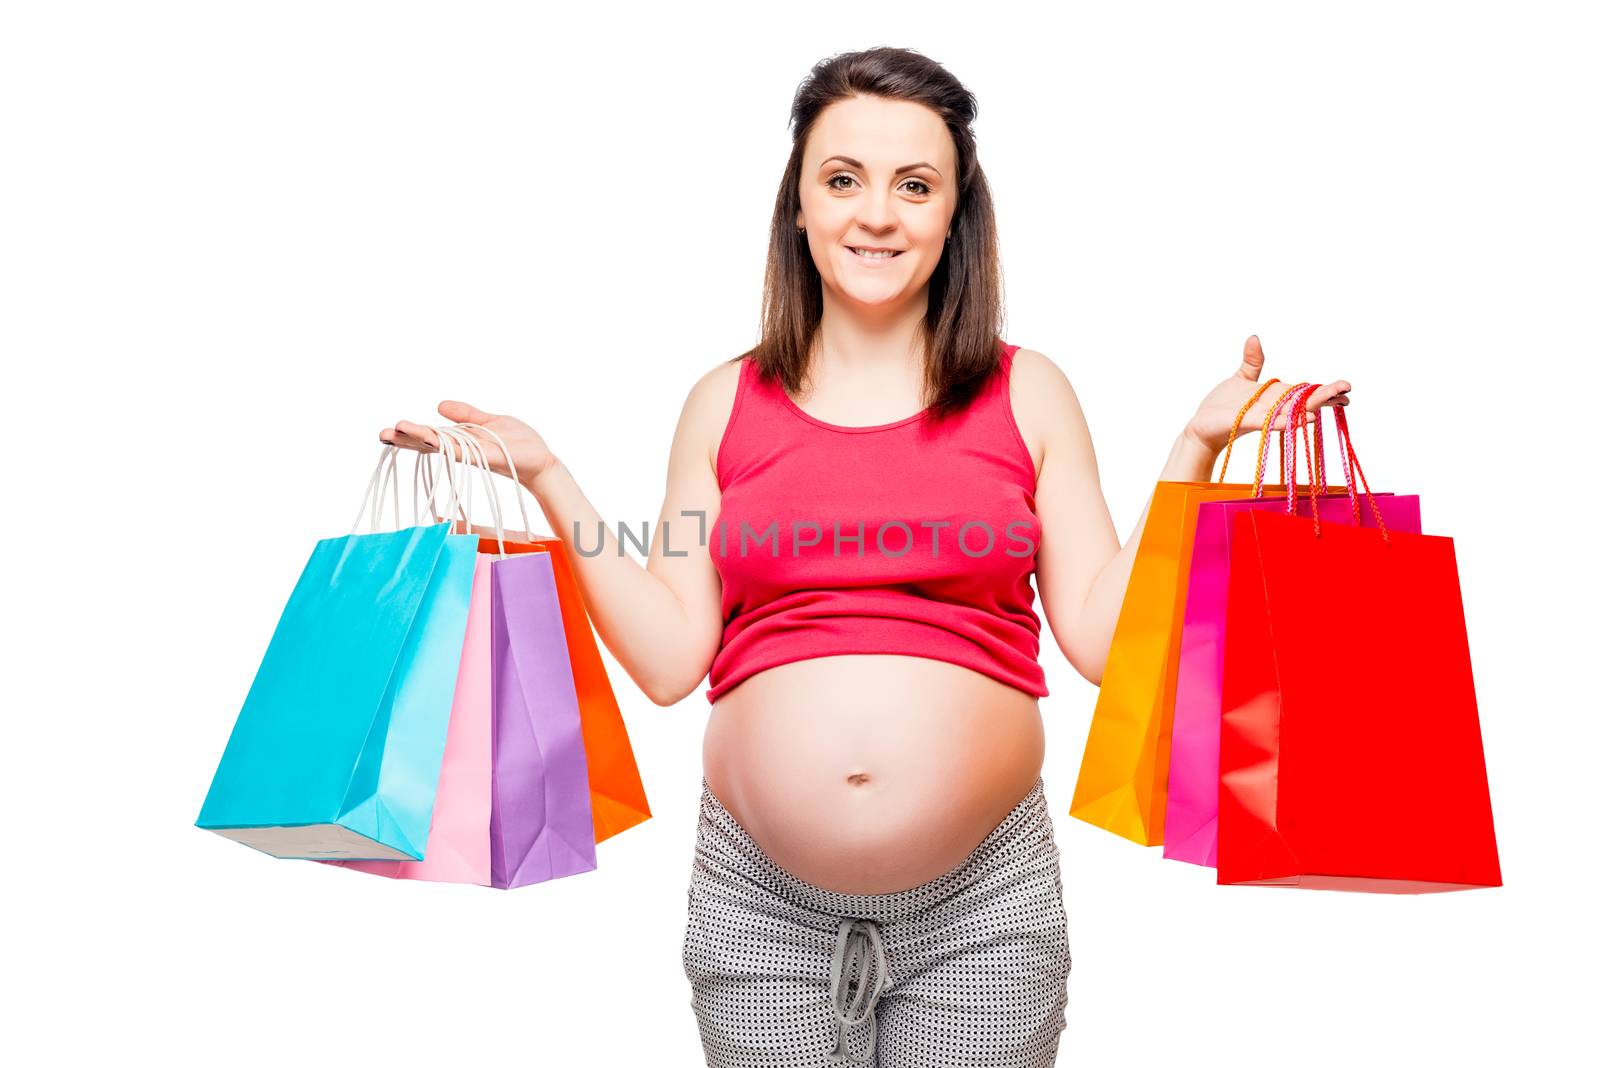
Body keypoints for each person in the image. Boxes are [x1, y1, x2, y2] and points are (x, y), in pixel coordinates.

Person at [379, 46, 1349, 1068]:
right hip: (759, 904)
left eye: (914, 185)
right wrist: (548, 478)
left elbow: (1109, 645)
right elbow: (670, 660)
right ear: (797, 205)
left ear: (952, 215)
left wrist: (1194, 449)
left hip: (983, 901)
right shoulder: (722, 403)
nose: (875, 214)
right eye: (842, 179)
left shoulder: (1030, 395)